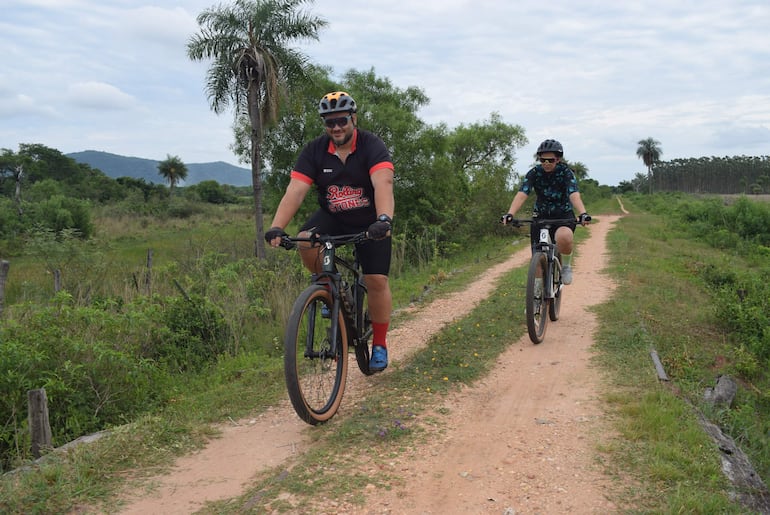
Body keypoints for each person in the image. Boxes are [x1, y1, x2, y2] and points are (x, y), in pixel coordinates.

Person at [265, 91, 395, 372]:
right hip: (334, 216)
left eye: (341, 121)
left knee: (375, 280)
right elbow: (295, 191)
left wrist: (384, 219)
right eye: (329, 122)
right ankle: (328, 288)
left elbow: (383, 183)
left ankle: (380, 344)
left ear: (353, 119)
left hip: (370, 220)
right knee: (304, 240)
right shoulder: (315, 150)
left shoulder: (371, 145)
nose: (336, 127)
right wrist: (277, 226)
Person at [501, 139, 590, 285]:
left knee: (564, 237)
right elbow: (523, 193)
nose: (546, 163)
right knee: (537, 258)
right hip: (541, 216)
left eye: (551, 160)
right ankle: (536, 293)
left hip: (563, 215)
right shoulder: (534, 173)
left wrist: (583, 213)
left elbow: (573, 194)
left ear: (558, 159)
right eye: (543, 160)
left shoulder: (565, 173)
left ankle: (566, 266)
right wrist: (510, 214)